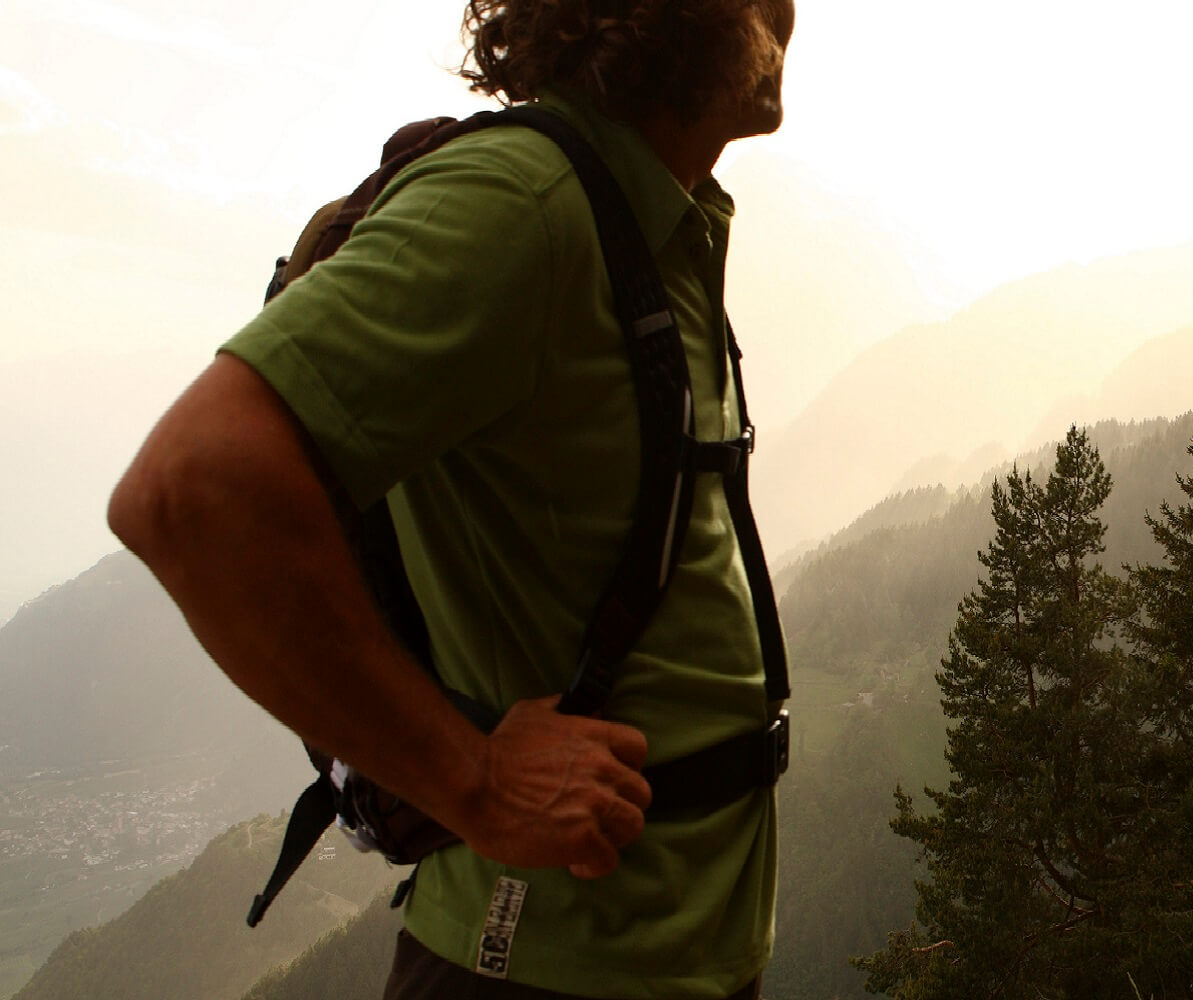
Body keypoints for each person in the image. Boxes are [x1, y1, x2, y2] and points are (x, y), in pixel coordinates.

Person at [107, 0, 795, 996]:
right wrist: (473, 783)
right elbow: (190, 490)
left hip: (672, 955)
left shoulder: (655, 220)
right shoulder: (519, 203)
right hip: (543, 962)